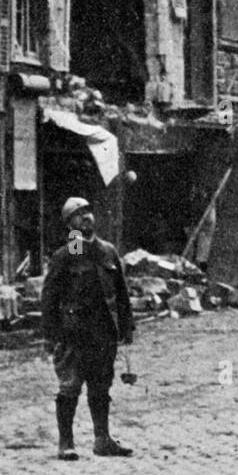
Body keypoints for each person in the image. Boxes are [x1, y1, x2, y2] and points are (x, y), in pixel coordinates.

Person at [41, 197, 135, 460]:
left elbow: (121, 293)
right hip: (73, 335)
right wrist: (51, 336)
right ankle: (66, 443)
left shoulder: (107, 252)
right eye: (78, 214)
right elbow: (49, 298)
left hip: (103, 333)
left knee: (101, 387)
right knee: (69, 388)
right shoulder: (65, 256)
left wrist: (127, 328)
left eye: (88, 212)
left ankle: (102, 439)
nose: (86, 217)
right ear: (69, 224)